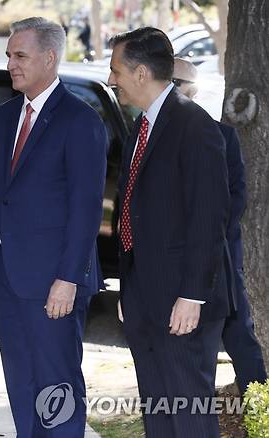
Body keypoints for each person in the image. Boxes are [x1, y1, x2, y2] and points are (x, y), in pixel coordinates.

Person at [0, 17, 108, 437]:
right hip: (9, 280)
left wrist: (68, 278)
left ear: (49, 58)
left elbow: (86, 210)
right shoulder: (2, 117)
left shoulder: (80, 120)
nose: (11, 63)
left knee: (57, 387)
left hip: (55, 281)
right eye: (9, 55)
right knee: (21, 385)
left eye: (20, 55)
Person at [109, 28, 230, 436]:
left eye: (116, 71)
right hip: (144, 296)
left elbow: (209, 217)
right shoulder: (141, 128)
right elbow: (135, 213)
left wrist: (192, 295)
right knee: (159, 412)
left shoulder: (193, 125)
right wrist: (130, 288)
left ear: (141, 73)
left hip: (183, 301)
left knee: (189, 415)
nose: (111, 80)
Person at [173, 57, 267, 395]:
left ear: (192, 90)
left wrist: (202, 236)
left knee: (239, 337)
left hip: (221, 257)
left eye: (175, 82)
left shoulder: (222, 137)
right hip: (172, 264)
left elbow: (234, 200)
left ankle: (259, 410)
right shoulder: (150, 136)